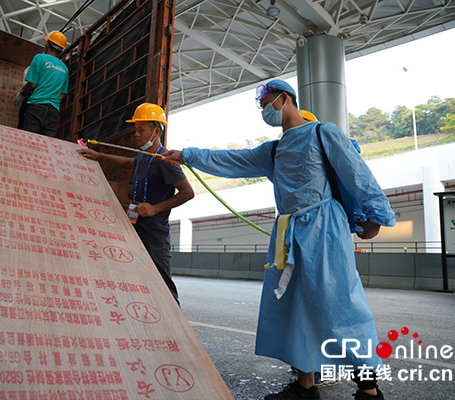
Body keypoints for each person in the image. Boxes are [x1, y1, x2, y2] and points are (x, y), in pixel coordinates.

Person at [163, 79, 395, 399]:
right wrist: (186, 154)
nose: (263, 111)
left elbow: (357, 173)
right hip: (288, 235)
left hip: (324, 230)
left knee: (339, 304)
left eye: (265, 103)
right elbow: (232, 159)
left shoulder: (322, 133)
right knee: (293, 306)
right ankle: (305, 384)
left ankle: (369, 389)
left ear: (283, 98)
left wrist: (374, 215)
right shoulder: (273, 150)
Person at [78, 103, 194, 305]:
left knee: (164, 288)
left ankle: (176, 331)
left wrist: (155, 208)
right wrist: (99, 156)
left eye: (141, 130)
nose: (136, 134)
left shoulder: (164, 159)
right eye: (136, 130)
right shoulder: (143, 156)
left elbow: (188, 192)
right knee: (137, 280)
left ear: (155, 131)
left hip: (155, 236)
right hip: (135, 230)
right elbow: (128, 163)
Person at [14, 31, 68, 138]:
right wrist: (51, 98)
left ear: (47, 44)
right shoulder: (64, 68)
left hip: (36, 107)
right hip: (53, 112)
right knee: (46, 146)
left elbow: (32, 84)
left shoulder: (39, 58)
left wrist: (21, 95)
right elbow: (62, 94)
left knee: (30, 142)